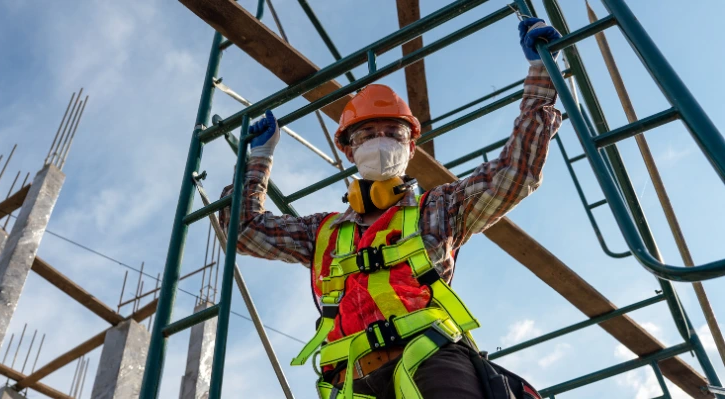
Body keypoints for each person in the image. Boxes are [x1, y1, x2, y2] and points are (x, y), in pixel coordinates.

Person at [219, 17, 563, 399]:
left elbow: (514, 174)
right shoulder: (323, 233)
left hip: (433, 362)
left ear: (411, 147)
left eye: (393, 133)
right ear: (348, 149)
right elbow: (244, 232)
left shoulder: (440, 209)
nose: (380, 141)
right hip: (351, 382)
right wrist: (259, 160)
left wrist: (540, 77)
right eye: (367, 134)